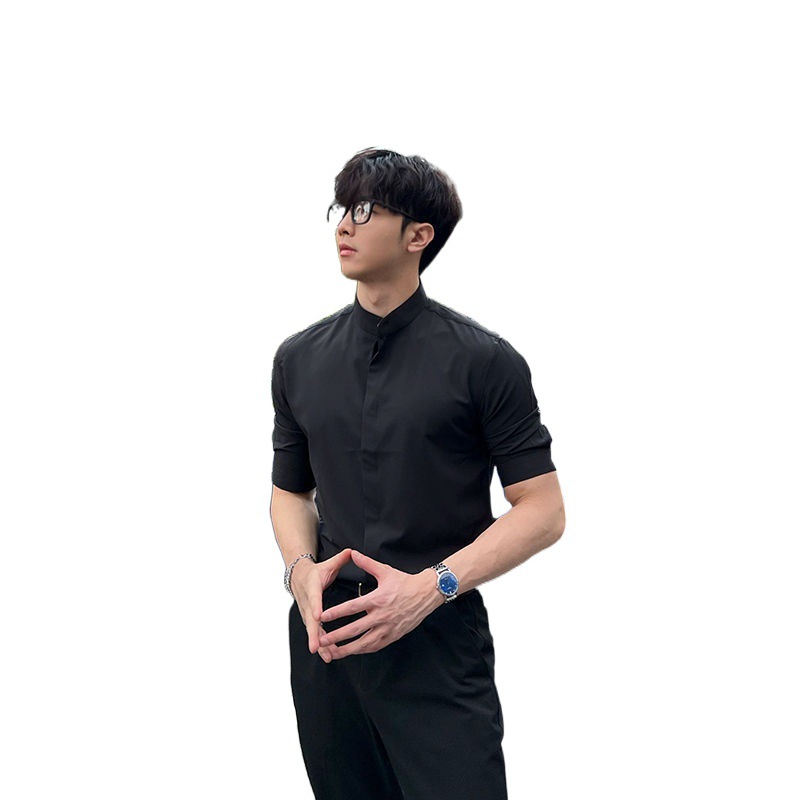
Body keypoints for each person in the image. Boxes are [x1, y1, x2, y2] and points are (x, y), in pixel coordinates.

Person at [270, 147, 565, 799]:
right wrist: (299, 573)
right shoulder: (297, 358)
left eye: (366, 210)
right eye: (341, 208)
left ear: (418, 236)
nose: (345, 224)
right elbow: (290, 491)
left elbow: (543, 510)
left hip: (436, 637)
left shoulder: (486, 362)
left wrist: (432, 587)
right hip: (326, 644)